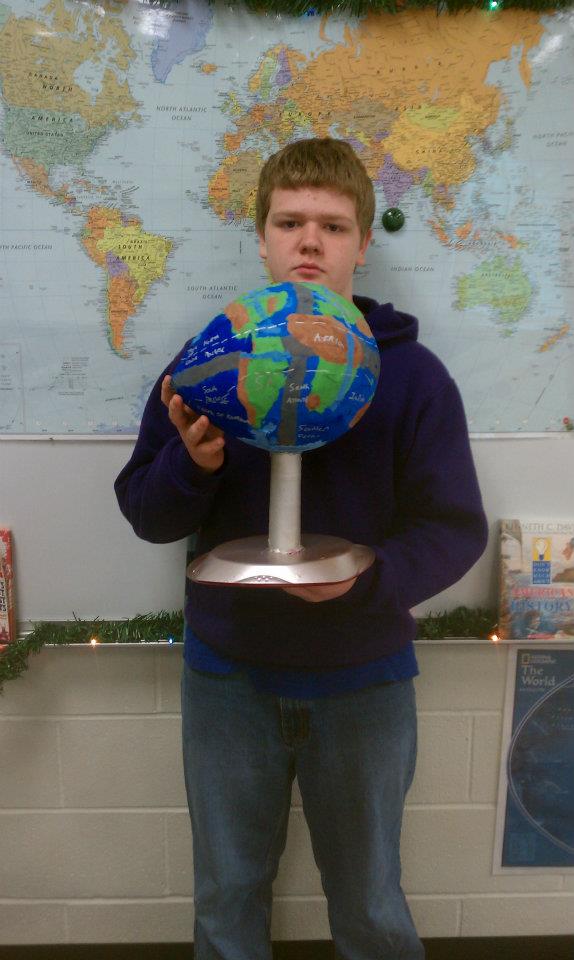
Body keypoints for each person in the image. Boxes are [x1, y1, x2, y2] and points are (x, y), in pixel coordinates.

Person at [115, 138, 488, 960]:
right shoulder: (207, 366)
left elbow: (455, 528)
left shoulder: (414, 378)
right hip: (228, 680)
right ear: (261, 238)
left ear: (362, 243)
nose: (309, 241)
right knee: (226, 904)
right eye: (289, 223)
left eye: (332, 225)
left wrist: (368, 581)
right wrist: (192, 465)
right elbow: (145, 512)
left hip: (364, 684)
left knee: (370, 906)